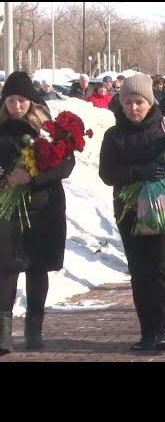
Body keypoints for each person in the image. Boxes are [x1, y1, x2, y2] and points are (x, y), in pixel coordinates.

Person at [99, 74, 165, 351]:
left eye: (139, 102)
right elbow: (107, 173)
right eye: (128, 103)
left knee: (162, 267)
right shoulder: (113, 135)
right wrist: (138, 173)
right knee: (140, 270)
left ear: (150, 102)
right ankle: (147, 330)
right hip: (130, 209)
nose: (133, 108)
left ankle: (163, 329)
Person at [0, 72, 75, 355]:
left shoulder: (48, 131)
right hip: (7, 208)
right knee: (6, 268)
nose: (17, 106)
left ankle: (34, 328)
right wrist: (7, 178)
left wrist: (31, 178)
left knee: (36, 267)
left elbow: (65, 165)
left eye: (22, 100)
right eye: (11, 100)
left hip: (43, 207)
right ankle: (3, 334)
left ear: (31, 102)